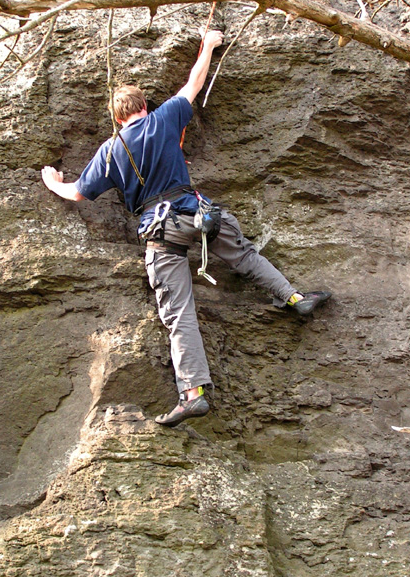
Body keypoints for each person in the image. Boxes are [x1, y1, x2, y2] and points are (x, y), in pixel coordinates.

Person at [41, 29, 331, 426]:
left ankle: (193, 392)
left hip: (160, 231)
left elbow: (76, 193)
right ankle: (295, 298)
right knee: (244, 255)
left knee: (179, 313)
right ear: (144, 106)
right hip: (198, 213)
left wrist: (51, 181)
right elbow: (194, 82)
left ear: (118, 118)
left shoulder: (110, 151)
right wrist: (209, 44)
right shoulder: (164, 117)